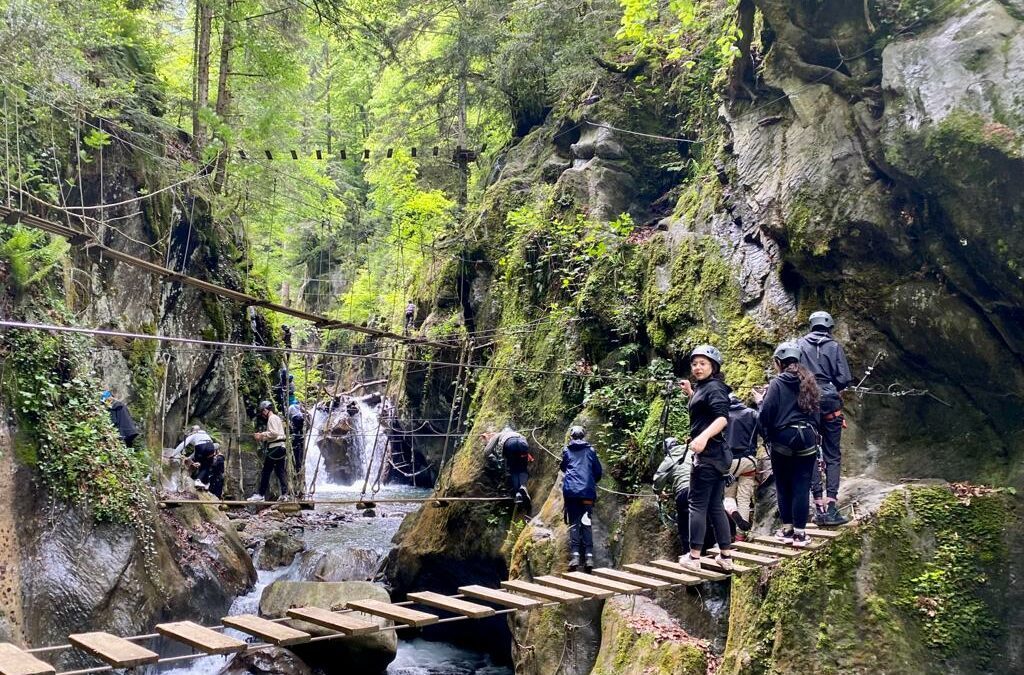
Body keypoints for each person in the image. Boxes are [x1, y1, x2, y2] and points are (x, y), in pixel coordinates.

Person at [677, 345, 735, 572]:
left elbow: (722, 418)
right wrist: (691, 393)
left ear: (713, 366)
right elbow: (706, 410)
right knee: (714, 506)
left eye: (703, 363)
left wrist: (701, 438)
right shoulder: (705, 388)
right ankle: (726, 555)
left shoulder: (715, 389)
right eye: (694, 364)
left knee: (697, 505)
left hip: (709, 456)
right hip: (717, 457)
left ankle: (694, 557)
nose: (697, 367)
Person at [760, 341, 822, 547]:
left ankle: (787, 529)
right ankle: (800, 534)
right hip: (807, 437)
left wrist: (766, 434)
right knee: (802, 486)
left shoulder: (777, 384)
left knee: (783, 485)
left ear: (779, 362)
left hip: (783, 439)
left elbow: (766, 413)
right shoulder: (810, 382)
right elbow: (816, 412)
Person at [797, 311, 853, 526]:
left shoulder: (800, 345)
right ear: (829, 326)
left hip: (807, 402)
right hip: (830, 402)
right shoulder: (834, 346)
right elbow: (844, 378)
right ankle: (831, 506)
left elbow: (796, 373)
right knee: (832, 454)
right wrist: (831, 387)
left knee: (810, 453)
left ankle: (818, 506)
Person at [560, 425, 602, 572]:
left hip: (571, 493)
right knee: (586, 522)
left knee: (574, 523)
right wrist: (591, 482)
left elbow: (563, 467)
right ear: (583, 436)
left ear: (571, 436)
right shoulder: (590, 451)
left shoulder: (567, 450)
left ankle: (575, 556)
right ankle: (589, 557)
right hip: (586, 493)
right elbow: (598, 471)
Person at [724, 394, 759, 536]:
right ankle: (740, 535)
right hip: (748, 461)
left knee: (727, 497)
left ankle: (732, 516)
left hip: (729, 462)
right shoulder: (751, 413)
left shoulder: (723, 416)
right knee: (744, 498)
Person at [248, 400, 289, 502]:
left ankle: (261, 495)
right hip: (281, 447)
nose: (262, 414)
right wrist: (262, 437)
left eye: (262, 411)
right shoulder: (276, 418)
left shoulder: (272, 418)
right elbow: (275, 434)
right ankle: (284, 494)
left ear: (266, 410)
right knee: (280, 471)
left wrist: (262, 434)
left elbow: (274, 433)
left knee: (266, 471)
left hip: (275, 448)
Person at [482, 426, 533, 507]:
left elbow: (486, 451)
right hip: (523, 444)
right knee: (522, 469)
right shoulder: (517, 434)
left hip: (510, 445)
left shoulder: (498, 435)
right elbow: (522, 444)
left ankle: (518, 494)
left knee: (513, 470)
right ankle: (523, 487)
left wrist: (491, 457)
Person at [173, 424, 217, 490]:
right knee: (206, 465)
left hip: (200, 448)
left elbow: (183, 444)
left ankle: (198, 481)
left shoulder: (194, 435)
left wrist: (173, 454)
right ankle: (206, 483)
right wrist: (189, 458)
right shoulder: (206, 435)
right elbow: (195, 452)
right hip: (210, 447)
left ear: (193, 431)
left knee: (202, 465)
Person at [287, 396, 306, 475]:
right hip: (301, 418)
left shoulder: (291, 406)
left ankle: (296, 437)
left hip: (295, 418)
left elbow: (288, 414)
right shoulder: (298, 406)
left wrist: (288, 419)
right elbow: (302, 411)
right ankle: (300, 436)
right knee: (300, 430)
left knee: (295, 430)